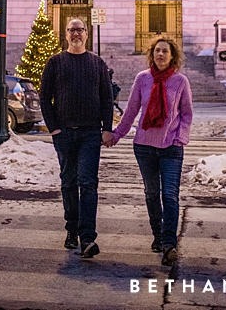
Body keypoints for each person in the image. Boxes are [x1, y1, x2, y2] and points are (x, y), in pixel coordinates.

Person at [105, 36, 192, 266]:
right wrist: (117, 134)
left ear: (172, 55)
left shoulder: (180, 81)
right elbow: (132, 110)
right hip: (144, 147)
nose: (161, 55)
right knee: (152, 193)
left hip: (171, 148)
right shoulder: (142, 79)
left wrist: (180, 138)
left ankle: (169, 243)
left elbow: (187, 114)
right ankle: (158, 236)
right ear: (152, 55)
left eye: (165, 51)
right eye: (157, 51)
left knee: (170, 195)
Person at [40, 18, 114, 259]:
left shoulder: (97, 63)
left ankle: (87, 237)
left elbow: (106, 98)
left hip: (90, 133)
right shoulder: (55, 62)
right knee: (69, 183)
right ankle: (71, 230)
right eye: (71, 30)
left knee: (88, 183)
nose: (76, 34)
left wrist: (106, 128)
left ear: (87, 34)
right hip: (64, 133)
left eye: (80, 30)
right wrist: (53, 128)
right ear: (65, 34)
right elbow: (44, 98)